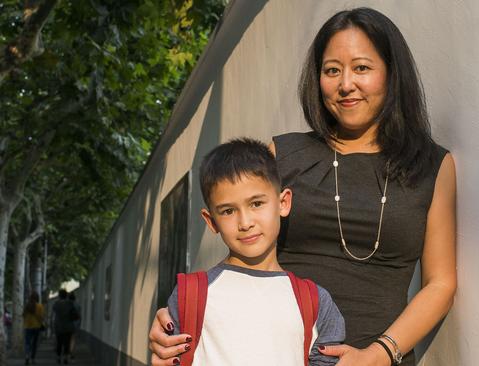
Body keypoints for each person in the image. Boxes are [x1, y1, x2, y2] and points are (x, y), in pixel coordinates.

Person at [150, 7, 456, 366]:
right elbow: (243, 241)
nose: (345, 84)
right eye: (331, 70)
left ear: (391, 74)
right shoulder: (283, 154)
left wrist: (379, 354)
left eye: (361, 68)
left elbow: (440, 283)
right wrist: (187, 309)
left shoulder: (432, 166)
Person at [165, 138, 345, 365]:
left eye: (256, 204)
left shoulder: (316, 302)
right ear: (211, 222)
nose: (245, 222)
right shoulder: (189, 294)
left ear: (283, 203)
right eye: (228, 210)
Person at [52, 289, 78, 364]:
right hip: (68, 326)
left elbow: (54, 313)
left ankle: (58, 357)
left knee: (59, 342)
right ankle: (65, 357)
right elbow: (74, 313)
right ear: (66, 295)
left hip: (59, 326)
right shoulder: (70, 303)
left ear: (59, 295)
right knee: (67, 343)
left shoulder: (56, 303)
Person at [23, 292, 45, 365]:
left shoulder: (27, 306)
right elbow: (41, 317)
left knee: (27, 343)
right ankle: (33, 359)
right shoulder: (40, 306)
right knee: (34, 344)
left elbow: (23, 315)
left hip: (28, 326)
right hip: (36, 327)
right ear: (37, 298)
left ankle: (27, 356)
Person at [68, 292, 81, 361]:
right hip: (75, 324)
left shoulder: (66, 305)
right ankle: (72, 353)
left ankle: (67, 352)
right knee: (73, 339)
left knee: (67, 339)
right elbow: (79, 316)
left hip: (67, 324)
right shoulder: (78, 305)